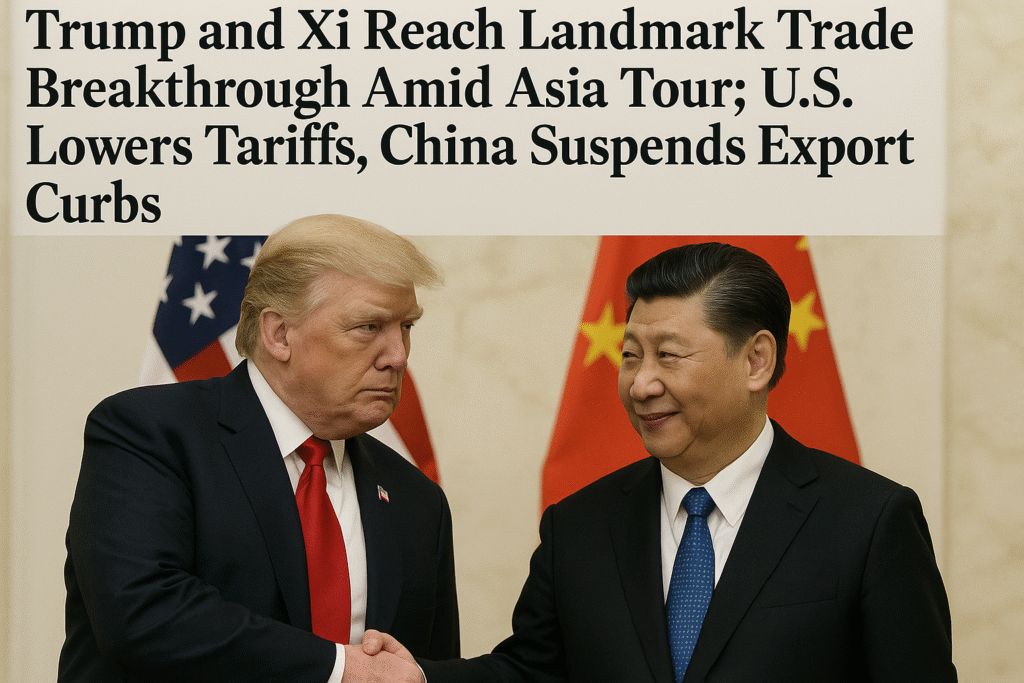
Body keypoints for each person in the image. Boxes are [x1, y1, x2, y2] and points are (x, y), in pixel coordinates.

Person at [365, 242, 956, 682]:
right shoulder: (580, 526)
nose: (642, 383)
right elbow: (531, 674)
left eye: (668, 356)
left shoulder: (869, 520)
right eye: (629, 356)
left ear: (756, 361)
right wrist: (422, 676)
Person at [58, 214, 458, 683]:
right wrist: (338, 668)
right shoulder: (149, 433)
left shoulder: (416, 498)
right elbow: (143, 615)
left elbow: (423, 670)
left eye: (406, 326)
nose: (398, 356)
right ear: (279, 334)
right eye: (369, 326)